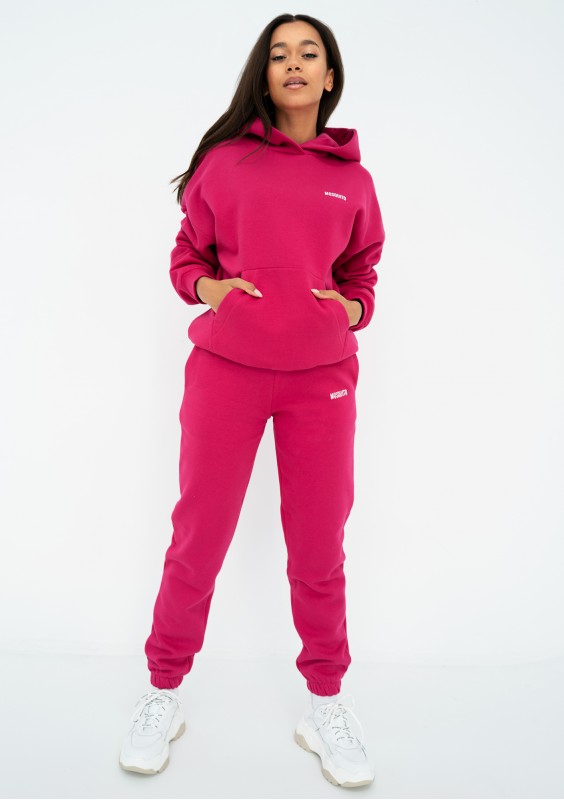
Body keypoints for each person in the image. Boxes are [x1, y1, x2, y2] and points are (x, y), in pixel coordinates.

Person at [119, 12, 385, 788]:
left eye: (309, 53)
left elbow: (364, 271)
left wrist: (351, 307)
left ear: (330, 76)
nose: (293, 64)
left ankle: (325, 705)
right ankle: (162, 692)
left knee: (319, 545)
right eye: (278, 54)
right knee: (198, 536)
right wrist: (211, 290)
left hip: (321, 381)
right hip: (226, 373)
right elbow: (187, 255)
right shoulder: (226, 162)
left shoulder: (354, 180)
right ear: (264, 75)